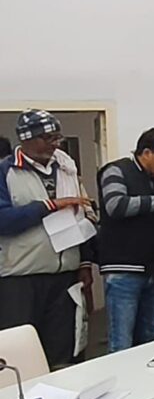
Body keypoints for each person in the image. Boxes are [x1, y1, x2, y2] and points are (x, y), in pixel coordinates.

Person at [0, 110, 95, 367]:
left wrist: (84, 262)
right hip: (21, 277)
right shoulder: (5, 171)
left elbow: (83, 212)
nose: (55, 144)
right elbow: (3, 221)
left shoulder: (66, 169)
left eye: (57, 137)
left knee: (64, 351)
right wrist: (48, 206)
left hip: (64, 275)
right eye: (48, 138)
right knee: (21, 352)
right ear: (26, 139)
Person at [97, 128, 154, 352]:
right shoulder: (117, 171)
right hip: (124, 270)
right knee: (122, 342)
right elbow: (116, 205)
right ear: (146, 153)